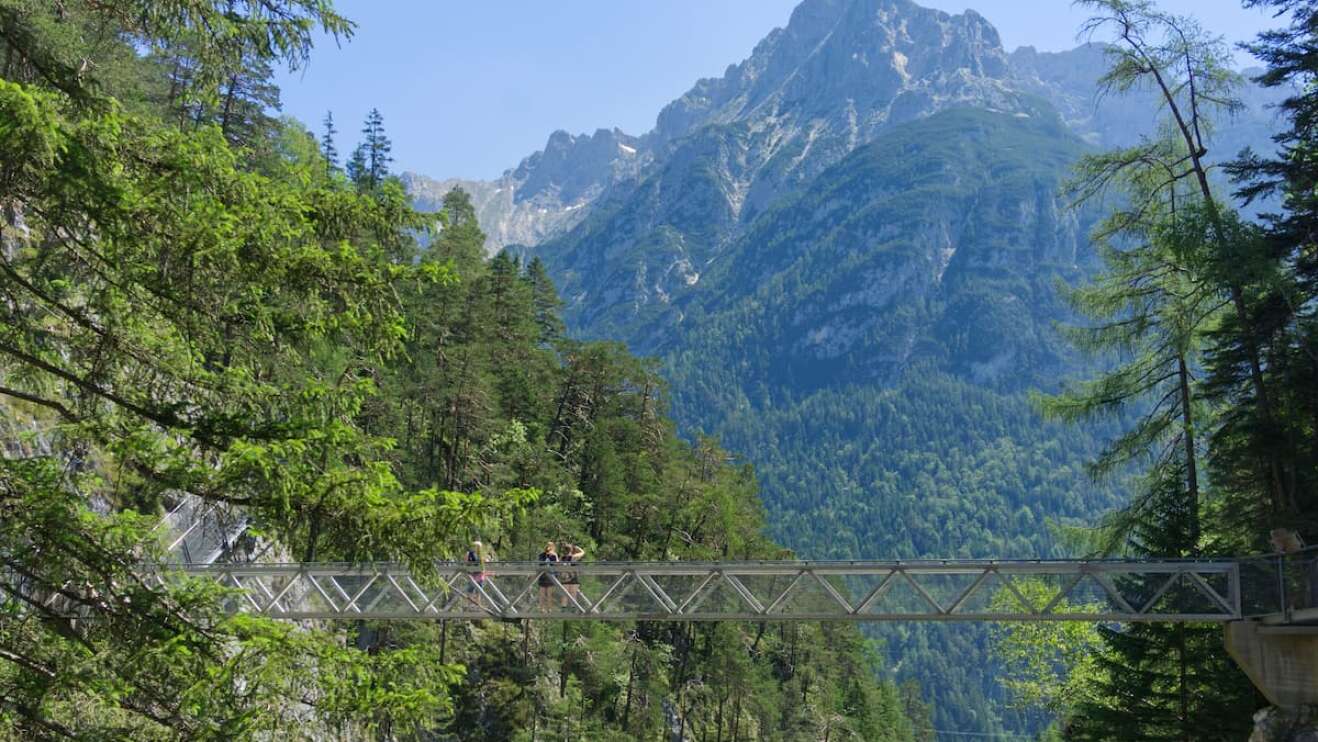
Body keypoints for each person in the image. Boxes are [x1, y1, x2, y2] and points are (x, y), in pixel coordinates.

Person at [561, 543, 586, 609]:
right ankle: (573, 608)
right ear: (571, 550)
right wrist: (577, 548)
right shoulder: (574, 557)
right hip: (573, 577)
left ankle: (564, 608)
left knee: (565, 593)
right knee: (573, 593)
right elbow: (583, 552)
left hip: (565, 577)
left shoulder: (562, 558)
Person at [537, 541, 559, 611]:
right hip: (543, 576)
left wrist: (554, 555)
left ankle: (549, 608)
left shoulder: (554, 555)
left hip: (551, 576)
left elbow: (557, 564)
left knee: (549, 594)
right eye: (547, 546)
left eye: (550, 546)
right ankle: (541, 608)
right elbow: (540, 564)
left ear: (553, 547)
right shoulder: (542, 555)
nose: (548, 547)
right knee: (542, 593)